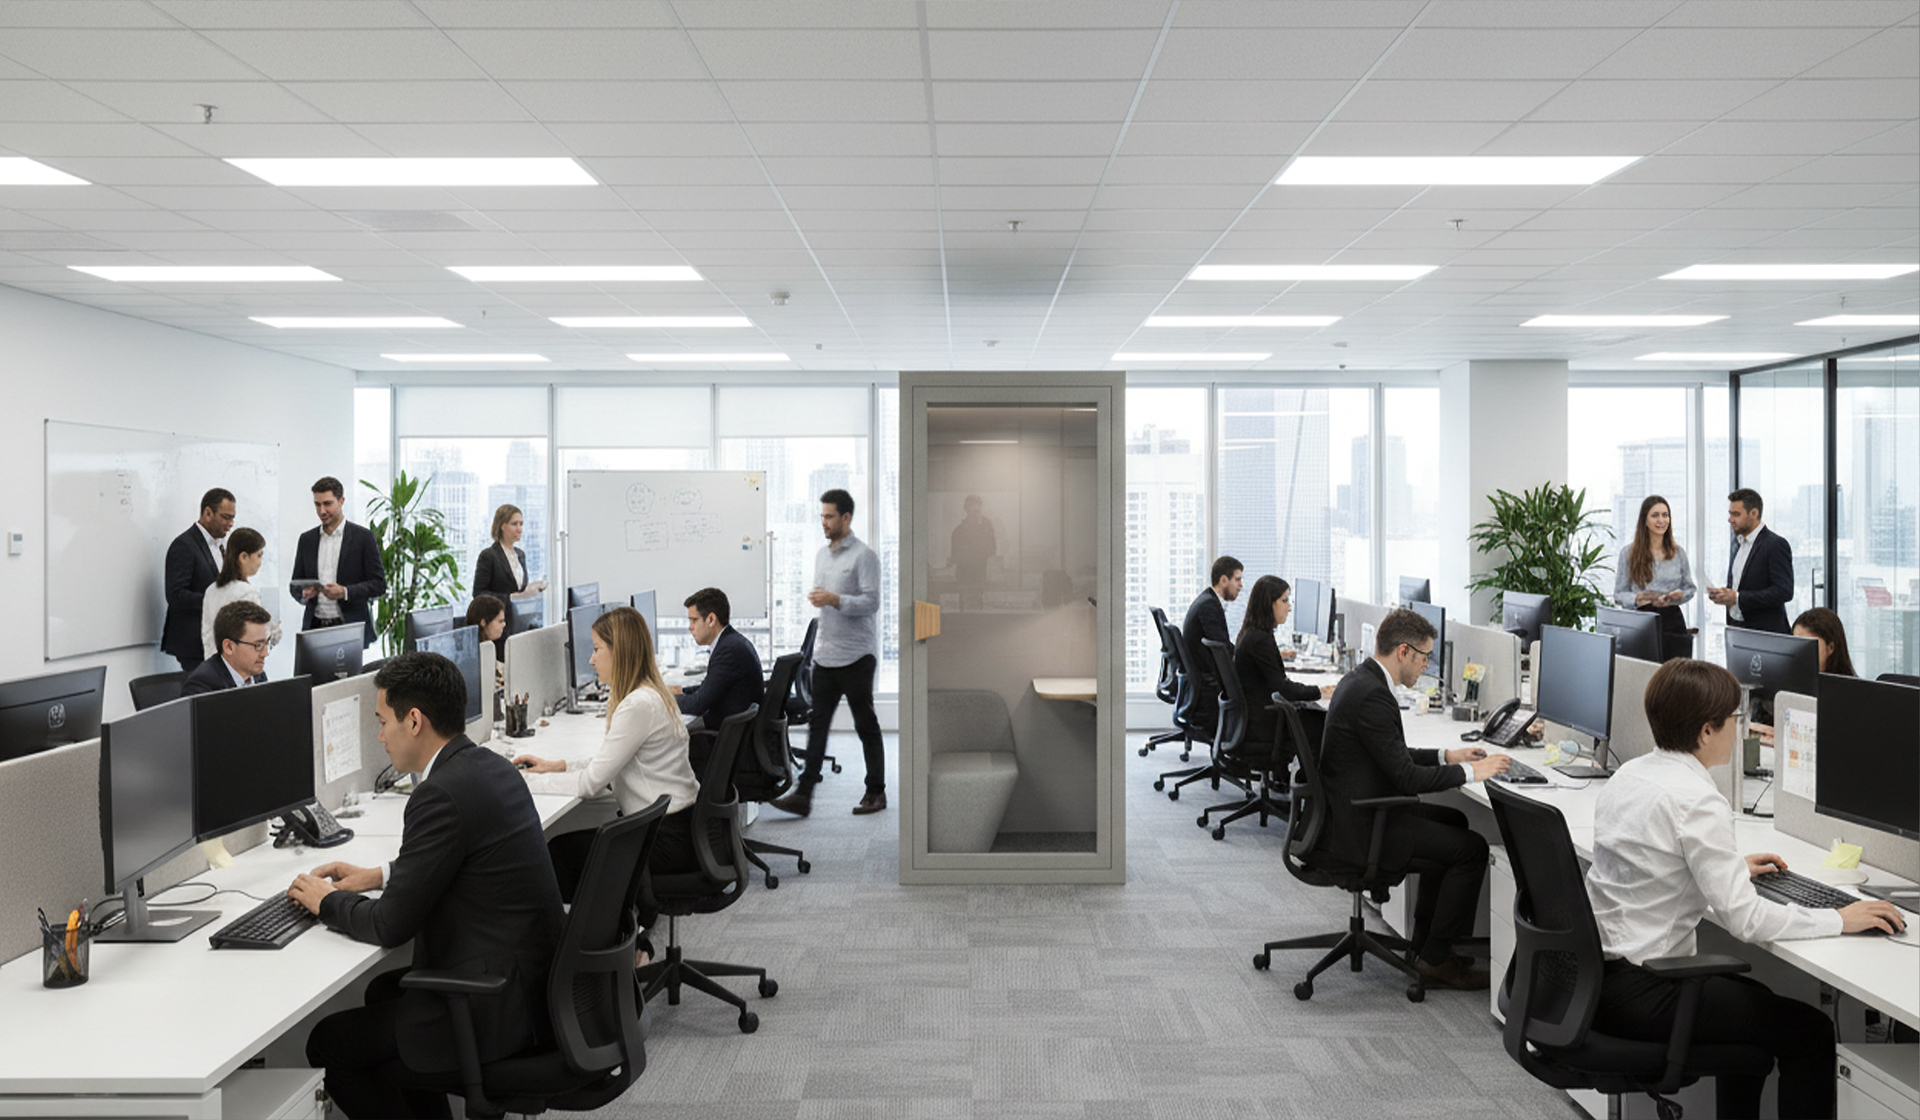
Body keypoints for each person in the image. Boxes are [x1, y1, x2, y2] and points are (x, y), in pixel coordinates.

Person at [1583, 659, 1903, 1119]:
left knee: (1754, 1021)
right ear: (1705, 732)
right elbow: (1746, 921)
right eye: (1735, 718)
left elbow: (1649, 862)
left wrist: (1727, 868)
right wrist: (1839, 918)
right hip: (1650, 990)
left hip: (1600, 979)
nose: (1742, 728)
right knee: (1810, 1032)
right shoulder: (1697, 799)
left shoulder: (1630, 775)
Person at [291, 652, 565, 1120]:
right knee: (383, 990)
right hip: (535, 994)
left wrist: (328, 901)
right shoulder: (490, 766)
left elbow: (389, 925)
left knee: (329, 1043)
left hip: (494, 1008)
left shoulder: (437, 793)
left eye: (383, 722)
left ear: (414, 721)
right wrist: (379, 875)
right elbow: (463, 854)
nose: (380, 736)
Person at [1318, 608, 1512, 990]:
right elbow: (1406, 777)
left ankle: (1425, 947)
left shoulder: (1362, 680)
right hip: (1362, 826)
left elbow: (1392, 755)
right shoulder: (1373, 696)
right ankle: (1437, 960)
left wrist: (1447, 756)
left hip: (1355, 809)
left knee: (1455, 822)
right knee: (1471, 850)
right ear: (1403, 652)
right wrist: (1473, 772)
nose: (1426, 666)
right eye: (1424, 657)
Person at [513, 606, 699, 963]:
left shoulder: (637, 705)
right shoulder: (650, 693)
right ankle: (626, 942)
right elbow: (613, 760)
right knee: (570, 847)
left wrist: (526, 782)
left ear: (620, 652)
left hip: (663, 841)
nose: (591, 658)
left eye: (597, 649)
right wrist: (559, 765)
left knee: (555, 854)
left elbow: (590, 785)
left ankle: (601, 955)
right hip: (676, 828)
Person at [771, 488, 885, 818]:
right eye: (822, 516)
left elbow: (872, 602)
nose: (824, 522)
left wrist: (835, 599)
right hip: (826, 655)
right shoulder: (822, 555)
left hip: (857, 655)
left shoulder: (864, 556)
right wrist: (822, 599)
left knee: (865, 724)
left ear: (846, 518)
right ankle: (803, 796)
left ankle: (875, 791)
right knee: (817, 726)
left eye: (830, 516)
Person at [1233, 576, 1336, 765]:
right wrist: (1320, 692)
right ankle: (1314, 781)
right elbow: (1283, 689)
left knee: (1314, 712)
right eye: (1284, 600)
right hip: (1263, 724)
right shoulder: (1260, 640)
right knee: (1325, 721)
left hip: (1253, 718)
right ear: (1269, 604)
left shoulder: (1253, 633)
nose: (1289, 607)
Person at [289, 476, 387, 647]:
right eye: (317, 504)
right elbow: (295, 584)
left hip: (350, 628)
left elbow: (379, 584)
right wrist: (304, 593)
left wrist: (345, 592)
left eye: (327, 504)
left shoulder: (363, 538)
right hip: (314, 627)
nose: (322, 511)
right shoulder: (307, 540)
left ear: (341, 501)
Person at [1613, 494, 1697, 661]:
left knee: (1675, 673)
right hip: (1641, 622)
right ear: (1644, 520)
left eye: (1665, 515)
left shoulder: (1678, 553)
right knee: (1644, 671)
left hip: (1673, 622)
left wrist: (1679, 595)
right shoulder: (1628, 553)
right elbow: (1619, 594)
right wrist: (1637, 598)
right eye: (1655, 515)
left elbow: (1690, 588)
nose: (1661, 520)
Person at [161, 487, 235, 672]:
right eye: (226, 517)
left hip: (216, 641)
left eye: (233, 518)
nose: (231, 524)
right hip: (194, 644)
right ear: (208, 513)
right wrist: (217, 600)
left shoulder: (221, 546)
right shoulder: (184, 545)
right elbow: (176, 595)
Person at [671, 587, 764, 731]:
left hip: (723, 733)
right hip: (732, 728)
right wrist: (683, 691)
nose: (690, 627)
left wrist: (663, 698)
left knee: (667, 734)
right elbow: (712, 687)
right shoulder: (731, 642)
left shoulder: (729, 650)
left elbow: (697, 705)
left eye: (694, 620)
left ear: (711, 620)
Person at [1708, 488, 1794, 635]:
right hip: (1738, 629)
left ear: (1754, 513)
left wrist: (1738, 598)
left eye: (1736, 514)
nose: (1730, 519)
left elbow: (1784, 591)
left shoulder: (1775, 544)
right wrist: (1725, 594)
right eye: (1730, 514)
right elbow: (1740, 584)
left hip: (1766, 633)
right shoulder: (1737, 543)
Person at [1181, 556, 1243, 735]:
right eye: (1237, 579)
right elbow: (1222, 649)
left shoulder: (1208, 600)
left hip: (1200, 680)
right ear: (1224, 580)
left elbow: (1222, 644)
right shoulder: (1209, 606)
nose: (1241, 585)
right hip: (1207, 686)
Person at [200, 527, 280, 659]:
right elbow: (255, 640)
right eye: (258, 555)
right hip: (239, 665)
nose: (260, 562)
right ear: (243, 557)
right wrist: (273, 634)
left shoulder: (211, 590)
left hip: (212, 663)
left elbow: (207, 636)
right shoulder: (247, 593)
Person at [180, 601, 271, 695]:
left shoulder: (258, 676)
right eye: (258, 645)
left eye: (267, 643)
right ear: (228, 647)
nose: (265, 653)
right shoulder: (201, 686)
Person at [472, 503, 546, 603]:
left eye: (521, 524)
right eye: (514, 524)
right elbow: (479, 594)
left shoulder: (520, 554)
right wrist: (511, 597)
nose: (519, 529)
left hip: (519, 612)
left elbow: (518, 590)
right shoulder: (488, 555)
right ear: (502, 526)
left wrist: (532, 589)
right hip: (498, 611)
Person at [950, 494, 996, 609]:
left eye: (977, 510)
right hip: (965, 578)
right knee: (965, 609)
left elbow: (992, 550)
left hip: (979, 577)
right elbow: (955, 556)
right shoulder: (958, 532)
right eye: (971, 510)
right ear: (966, 510)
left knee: (977, 611)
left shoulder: (987, 527)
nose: (975, 514)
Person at [1792, 607, 1856, 677]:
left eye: (1808, 647)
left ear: (1830, 647)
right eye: (1796, 645)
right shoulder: (1790, 679)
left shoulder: (1852, 684)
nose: (1800, 654)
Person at [466, 595, 509, 675]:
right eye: (500, 621)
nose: (504, 624)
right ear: (483, 622)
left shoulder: (494, 648)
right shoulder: (470, 661)